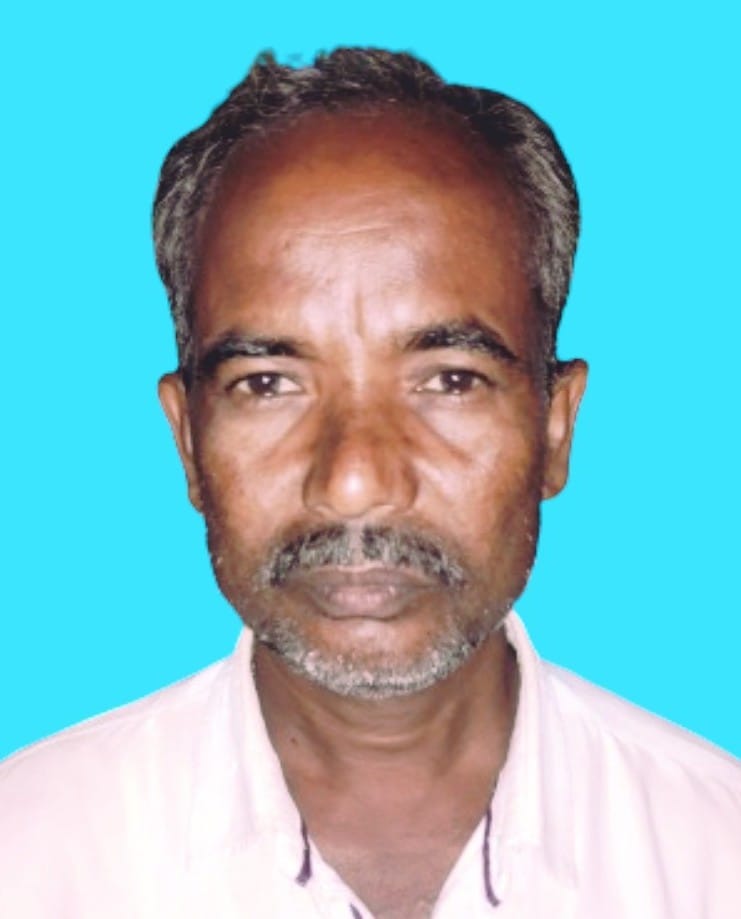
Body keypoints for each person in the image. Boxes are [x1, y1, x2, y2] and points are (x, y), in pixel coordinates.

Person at [1, 47, 739, 919]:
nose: (354, 482)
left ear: (553, 427)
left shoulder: (715, 852)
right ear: (188, 441)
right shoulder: (28, 854)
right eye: (268, 383)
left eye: (449, 380)